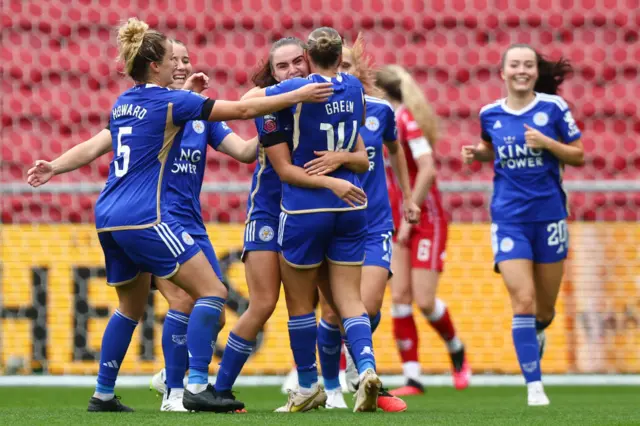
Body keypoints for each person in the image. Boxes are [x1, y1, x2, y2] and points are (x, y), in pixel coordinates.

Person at [29, 17, 332, 413]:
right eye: (175, 58)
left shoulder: (130, 103)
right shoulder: (176, 104)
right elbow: (240, 109)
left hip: (115, 216)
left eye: (186, 58)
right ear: (157, 65)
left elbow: (241, 150)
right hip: (153, 217)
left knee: (137, 307)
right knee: (203, 297)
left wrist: (54, 166)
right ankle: (183, 389)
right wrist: (296, 96)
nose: (183, 64)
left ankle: (105, 393)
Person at [461, 43, 584, 406]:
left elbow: (578, 154)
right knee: (524, 301)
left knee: (544, 311)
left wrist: (547, 143)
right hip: (509, 218)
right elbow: (489, 148)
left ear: (534, 72)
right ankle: (534, 386)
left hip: (549, 217)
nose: (522, 70)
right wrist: (476, 153)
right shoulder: (490, 114)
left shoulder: (553, 109)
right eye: (514, 64)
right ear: (503, 72)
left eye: (528, 65)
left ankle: (538, 333)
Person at [310, 34, 418, 412]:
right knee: (330, 311)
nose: (342, 72)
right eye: (338, 65)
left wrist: (407, 197)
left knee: (366, 305)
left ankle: (358, 373)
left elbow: (395, 151)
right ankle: (331, 387)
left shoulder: (379, 111)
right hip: (331, 220)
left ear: (359, 72)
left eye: (348, 66)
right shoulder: (312, 107)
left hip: (373, 222)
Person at [212, 37, 311, 403]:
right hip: (268, 212)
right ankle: (217, 388)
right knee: (264, 303)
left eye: (298, 62)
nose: (292, 71)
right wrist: (291, 92)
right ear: (271, 74)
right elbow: (244, 104)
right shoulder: (268, 102)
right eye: (281, 67)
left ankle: (316, 386)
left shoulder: (324, 103)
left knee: (318, 305)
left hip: (309, 214)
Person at [375, 65, 471, 396]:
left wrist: (409, 215)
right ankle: (413, 377)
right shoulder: (381, 120)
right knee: (399, 296)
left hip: (425, 219)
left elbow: (428, 169)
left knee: (425, 300)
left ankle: (456, 348)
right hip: (397, 219)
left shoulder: (403, 120)